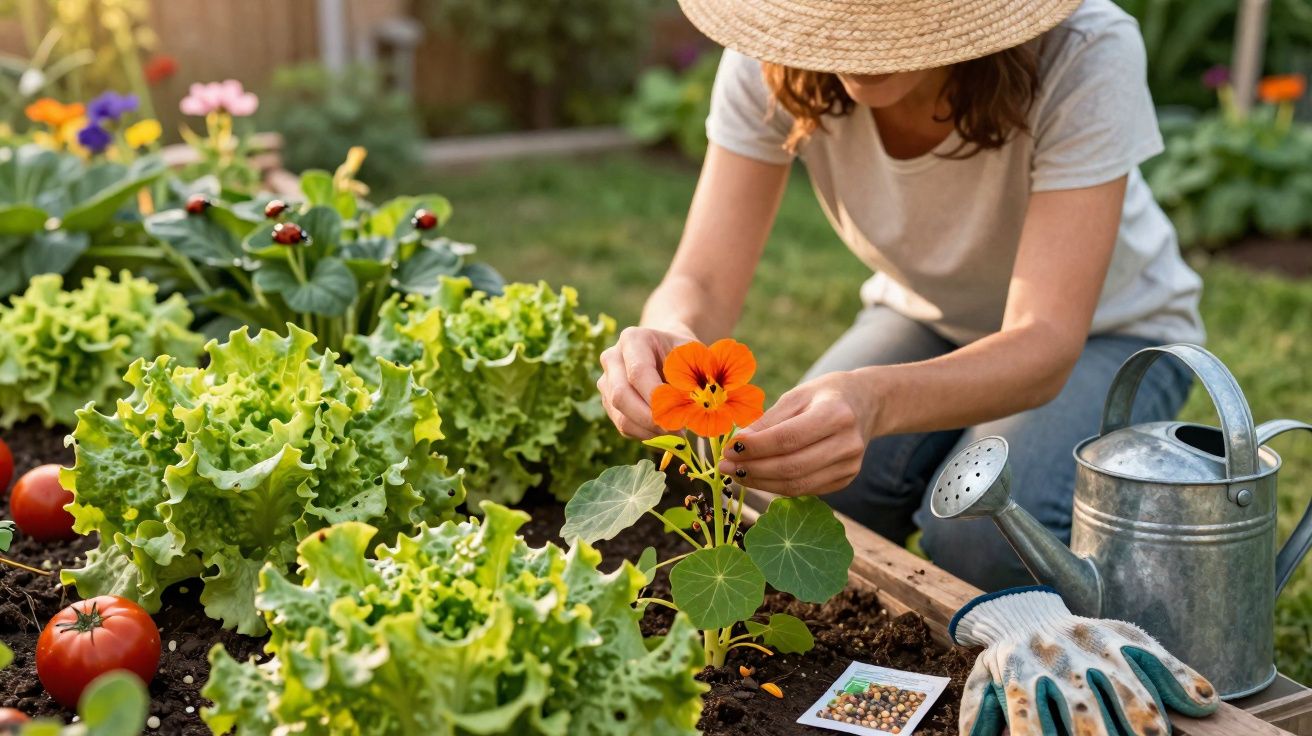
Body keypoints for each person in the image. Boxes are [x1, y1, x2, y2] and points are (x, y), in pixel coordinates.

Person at [597, 0, 1202, 591]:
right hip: (925, 312)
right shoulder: (771, 57)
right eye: (838, 16)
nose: (857, 47)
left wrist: (874, 401)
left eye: (889, 18)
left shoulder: (1084, 48)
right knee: (799, 488)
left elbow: (1044, 340)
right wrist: (668, 340)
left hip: (1114, 332)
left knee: (984, 532)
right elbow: (699, 282)